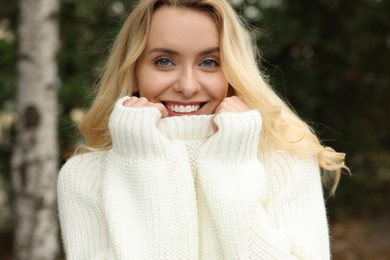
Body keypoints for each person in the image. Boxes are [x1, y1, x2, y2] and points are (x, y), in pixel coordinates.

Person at [57, 0, 347, 259]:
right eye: (164, 61)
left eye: (209, 62)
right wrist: (143, 162)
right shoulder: (86, 175)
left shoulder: (287, 162)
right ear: (133, 69)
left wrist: (231, 165)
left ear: (233, 69)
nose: (187, 85)